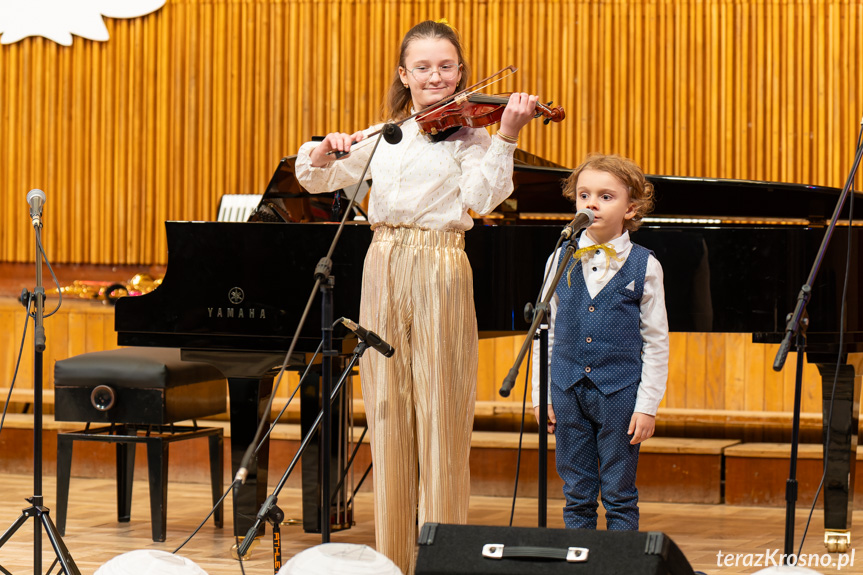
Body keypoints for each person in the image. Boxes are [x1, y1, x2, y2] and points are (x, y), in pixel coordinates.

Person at [295, 19, 538, 575]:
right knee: (386, 412)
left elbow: (481, 198)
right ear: (404, 75)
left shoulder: (476, 137)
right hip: (381, 263)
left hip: (439, 263)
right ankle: (392, 561)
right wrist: (327, 149)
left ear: (461, 74)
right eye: (422, 67)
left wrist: (507, 136)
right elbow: (313, 178)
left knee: (442, 412)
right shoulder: (387, 134)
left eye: (446, 66)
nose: (435, 76)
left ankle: (445, 560)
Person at [531, 153, 669, 531]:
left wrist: (648, 405)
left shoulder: (645, 265)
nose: (592, 203)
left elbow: (656, 342)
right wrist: (541, 395)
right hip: (566, 390)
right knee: (577, 492)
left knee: (619, 494)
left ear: (631, 208)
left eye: (606, 196)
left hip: (620, 394)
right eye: (584, 195)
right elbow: (547, 331)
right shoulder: (559, 258)